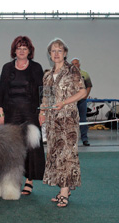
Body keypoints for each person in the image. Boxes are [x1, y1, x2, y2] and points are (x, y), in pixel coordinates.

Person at [0, 36, 46, 196]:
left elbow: (42, 92)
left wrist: (43, 111)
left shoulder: (37, 68)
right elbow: (1, 92)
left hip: (31, 114)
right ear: (14, 51)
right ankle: (12, 181)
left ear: (29, 51)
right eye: (19, 48)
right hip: (11, 114)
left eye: (25, 48)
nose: (22, 51)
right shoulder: (7, 68)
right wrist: (0, 113)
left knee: (31, 147)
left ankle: (29, 180)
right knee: (12, 149)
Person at [39, 38, 87, 208]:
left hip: (67, 120)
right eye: (53, 51)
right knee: (55, 155)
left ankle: (65, 192)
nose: (56, 54)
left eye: (59, 50)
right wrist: (42, 112)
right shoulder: (47, 75)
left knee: (67, 155)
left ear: (65, 53)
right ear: (50, 55)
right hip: (52, 122)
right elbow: (46, 97)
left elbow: (82, 92)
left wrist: (65, 103)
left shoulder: (72, 71)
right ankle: (63, 189)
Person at [71, 58, 93, 146]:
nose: (74, 65)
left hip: (82, 100)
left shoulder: (85, 74)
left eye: (76, 63)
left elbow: (89, 86)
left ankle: (84, 139)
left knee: (83, 119)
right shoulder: (68, 75)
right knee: (71, 120)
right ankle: (72, 140)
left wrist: (85, 95)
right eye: (72, 64)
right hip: (72, 101)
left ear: (79, 64)